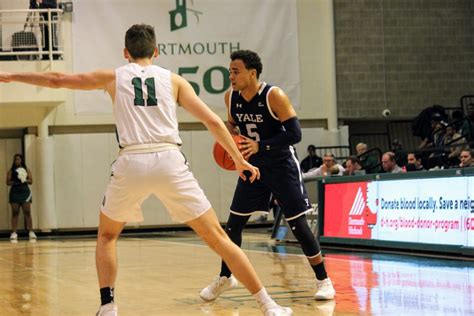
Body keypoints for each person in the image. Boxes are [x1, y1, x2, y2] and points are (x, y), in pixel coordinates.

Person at [0, 25, 292, 316]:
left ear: (125, 53)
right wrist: (239, 160)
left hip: (132, 161)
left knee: (106, 237)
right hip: (169, 159)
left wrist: (12, 75)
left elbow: (58, 79)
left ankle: (108, 306)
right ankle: (268, 305)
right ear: (156, 51)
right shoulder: (174, 80)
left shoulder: (112, 76)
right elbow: (214, 122)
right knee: (219, 237)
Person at [200, 50, 335, 303]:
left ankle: (323, 279)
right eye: (229, 71)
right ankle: (226, 276)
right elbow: (232, 127)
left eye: (236, 71)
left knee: (298, 225)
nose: (231, 76)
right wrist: (232, 145)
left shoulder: (274, 96)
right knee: (234, 226)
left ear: (252, 73)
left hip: (281, 165)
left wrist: (260, 145)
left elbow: (295, 134)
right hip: (253, 167)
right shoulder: (231, 98)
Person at [6, 154, 37, 243]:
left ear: (21, 160)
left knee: (27, 211)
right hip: (15, 192)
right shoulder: (11, 171)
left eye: (18, 159)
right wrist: (15, 181)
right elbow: (7, 182)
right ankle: (14, 233)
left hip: (25, 192)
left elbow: (31, 181)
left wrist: (24, 180)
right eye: (15, 159)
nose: (17, 161)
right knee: (15, 212)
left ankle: (31, 231)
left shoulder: (26, 170)